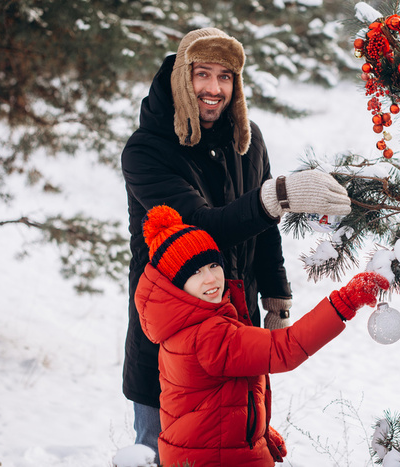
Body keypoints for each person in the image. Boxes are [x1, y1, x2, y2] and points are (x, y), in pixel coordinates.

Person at [120, 27, 352, 455]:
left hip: (236, 325)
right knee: (162, 450)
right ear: (180, 78)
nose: (213, 88)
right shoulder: (146, 151)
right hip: (173, 339)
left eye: (225, 77)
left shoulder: (246, 140)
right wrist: (276, 196)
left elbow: (263, 230)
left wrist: (277, 296)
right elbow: (199, 230)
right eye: (202, 74)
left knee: (234, 446)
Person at [136, 205, 389, 466]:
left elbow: (215, 403)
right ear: (176, 283)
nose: (210, 279)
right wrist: (344, 302)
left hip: (209, 451)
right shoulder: (207, 335)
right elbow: (285, 349)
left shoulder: (183, 323)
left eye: (213, 265)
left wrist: (256, 432)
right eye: (194, 272)